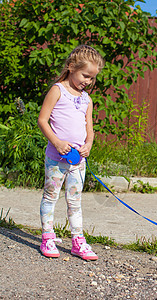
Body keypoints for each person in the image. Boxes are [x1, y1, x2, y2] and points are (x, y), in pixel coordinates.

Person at [37, 45, 105, 260]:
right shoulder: (58, 90)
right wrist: (56, 142)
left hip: (78, 162)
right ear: (71, 67)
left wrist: (89, 145)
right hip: (56, 159)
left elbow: (90, 130)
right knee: (50, 196)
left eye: (92, 78)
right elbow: (42, 120)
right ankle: (47, 236)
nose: (88, 81)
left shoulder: (87, 99)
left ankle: (78, 240)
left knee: (75, 201)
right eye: (85, 75)